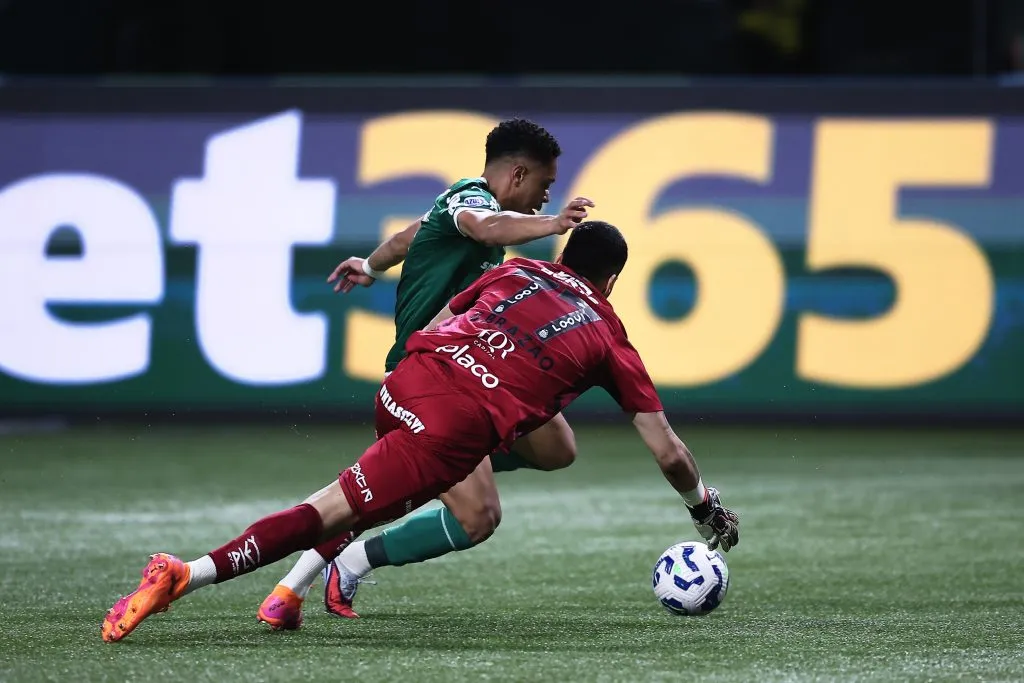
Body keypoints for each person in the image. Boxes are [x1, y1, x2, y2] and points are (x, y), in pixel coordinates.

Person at [101, 221, 740, 643]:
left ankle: (306, 581)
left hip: (407, 380)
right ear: (611, 282)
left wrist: (428, 366)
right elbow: (668, 450)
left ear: (564, 256)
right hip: (448, 428)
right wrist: (703, 505)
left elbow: (443, 317)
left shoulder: (513, 271)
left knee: (556, 445)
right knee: (331, 512)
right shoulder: (607, 335)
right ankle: (185, 573)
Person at [257, 118, 594, 629]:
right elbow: (484, 226)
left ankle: (425, 474)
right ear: (519, 174)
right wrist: (553, 227)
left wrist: (368, 268)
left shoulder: (455, 210)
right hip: (427, 381)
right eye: (545, 187)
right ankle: (349, 562)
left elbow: (403, 240)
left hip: (473, 376)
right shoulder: (471, 203)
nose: (546, 199)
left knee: (557, 447)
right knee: (478, 518)